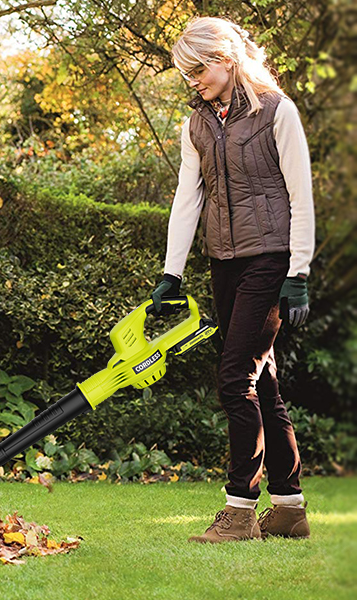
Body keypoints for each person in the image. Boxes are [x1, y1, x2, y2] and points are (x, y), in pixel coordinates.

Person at [150, 16, 315, 543]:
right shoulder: (196, 124)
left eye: (197, 68)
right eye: (185, 72)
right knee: (261, 380)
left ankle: (240, 509)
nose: (191, 79)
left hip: (271, 257)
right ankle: (288, 508)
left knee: (233, 379)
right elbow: (187, 196)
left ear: (226, 59)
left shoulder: (276, 111)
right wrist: (171, 272)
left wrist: (299, 271)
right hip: (225, 259)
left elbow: (300, 194)